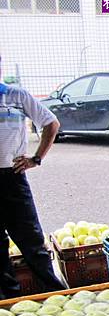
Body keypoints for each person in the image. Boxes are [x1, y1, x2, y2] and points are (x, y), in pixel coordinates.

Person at [0, 82, 65, 299]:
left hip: (12, 177)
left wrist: (36, 159)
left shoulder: (16, 96)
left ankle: (55, 294)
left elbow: (51, 123)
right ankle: (9, 300)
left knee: (31, 239)